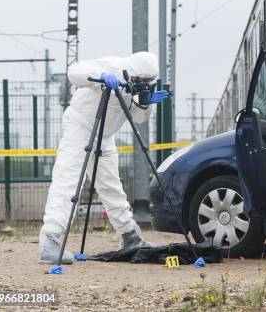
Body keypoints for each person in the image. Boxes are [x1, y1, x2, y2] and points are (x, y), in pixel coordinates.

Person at [38, 52, 169, 264]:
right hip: (79, 128)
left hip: (105, 136)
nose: (143, 84)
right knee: (68, 182)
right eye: (141, 81)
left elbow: (138, 118)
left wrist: (144, 103)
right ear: (131, 72)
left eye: (148, 82)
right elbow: (74, 72)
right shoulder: (112, 66)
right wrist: (100, 76)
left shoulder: (134, 85)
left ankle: (130, 236)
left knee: (111, 186)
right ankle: (50, 240)